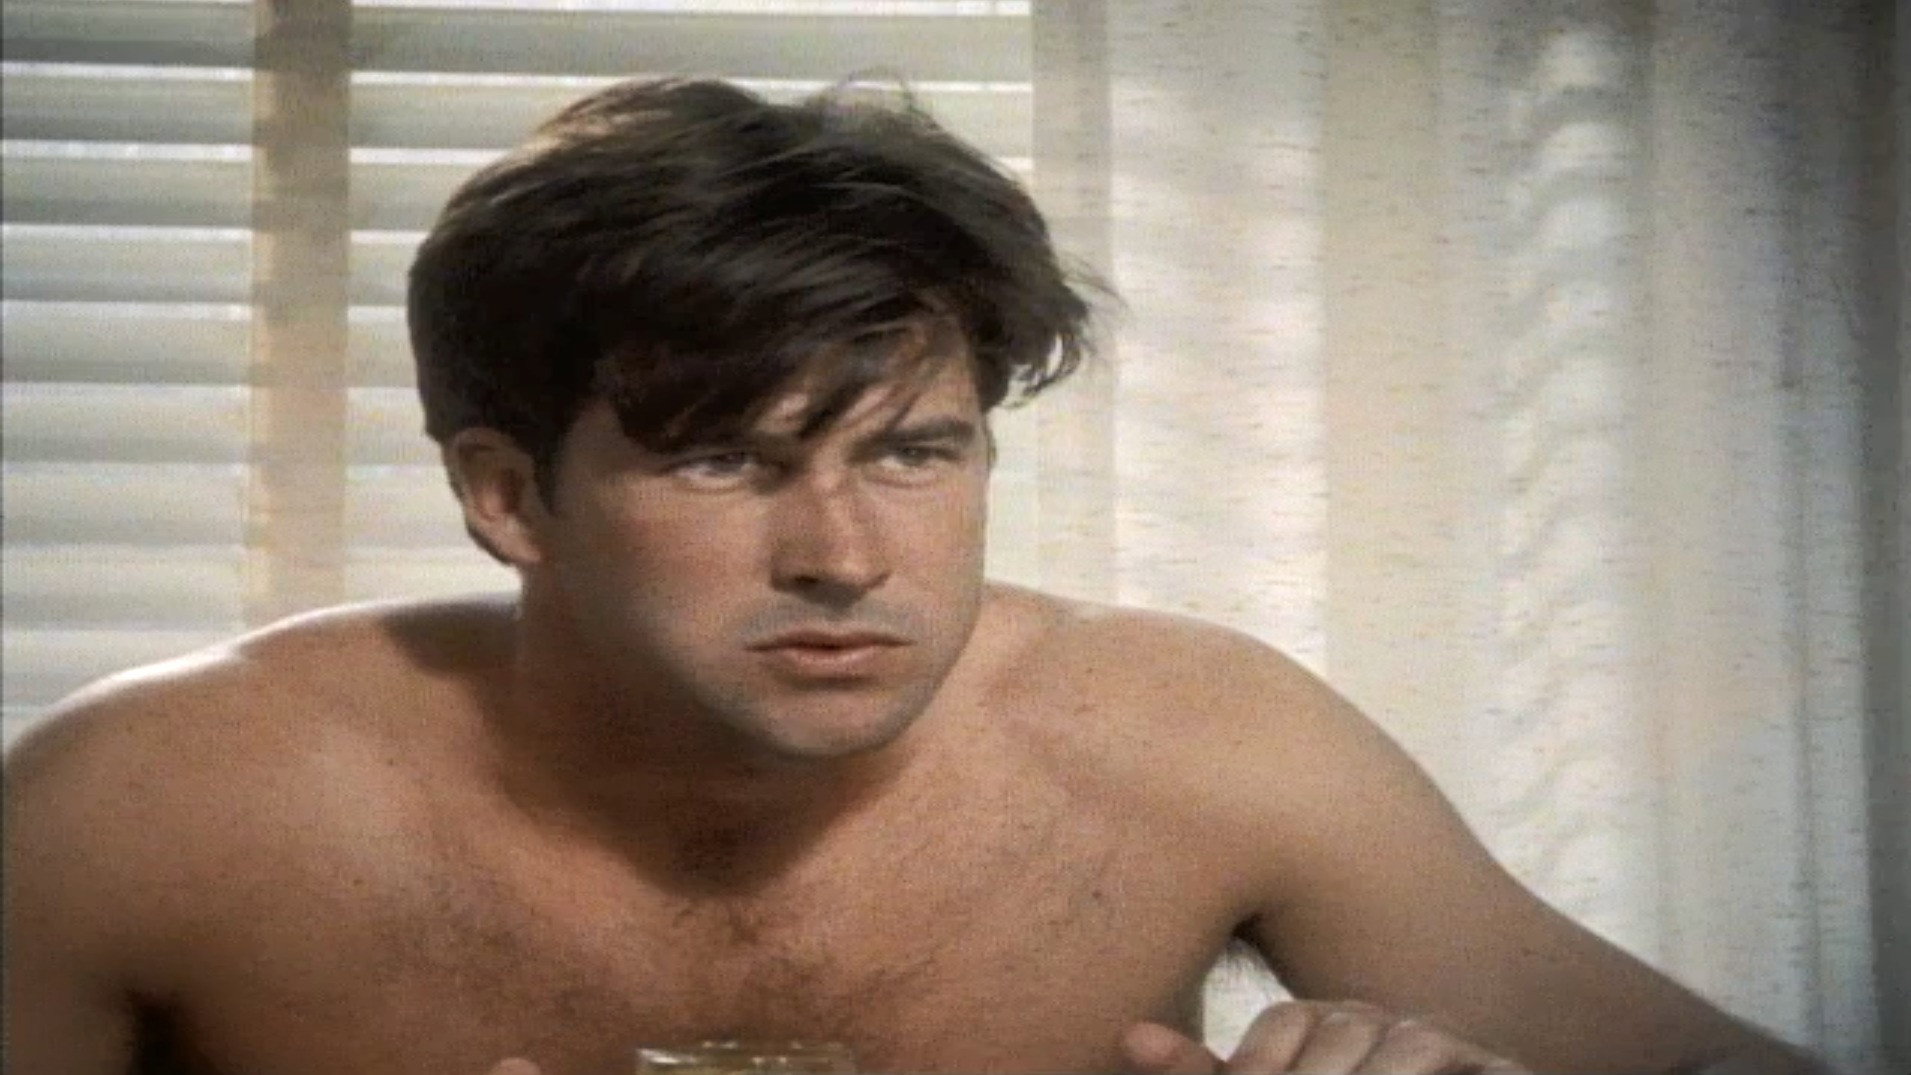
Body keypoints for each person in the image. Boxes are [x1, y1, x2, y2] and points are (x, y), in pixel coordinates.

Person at [2, 78, 1824, 1075]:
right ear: (507, 495)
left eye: (911, 452)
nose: (845, 558)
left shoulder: (1199, 747)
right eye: (726, 459)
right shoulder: (154, 804)